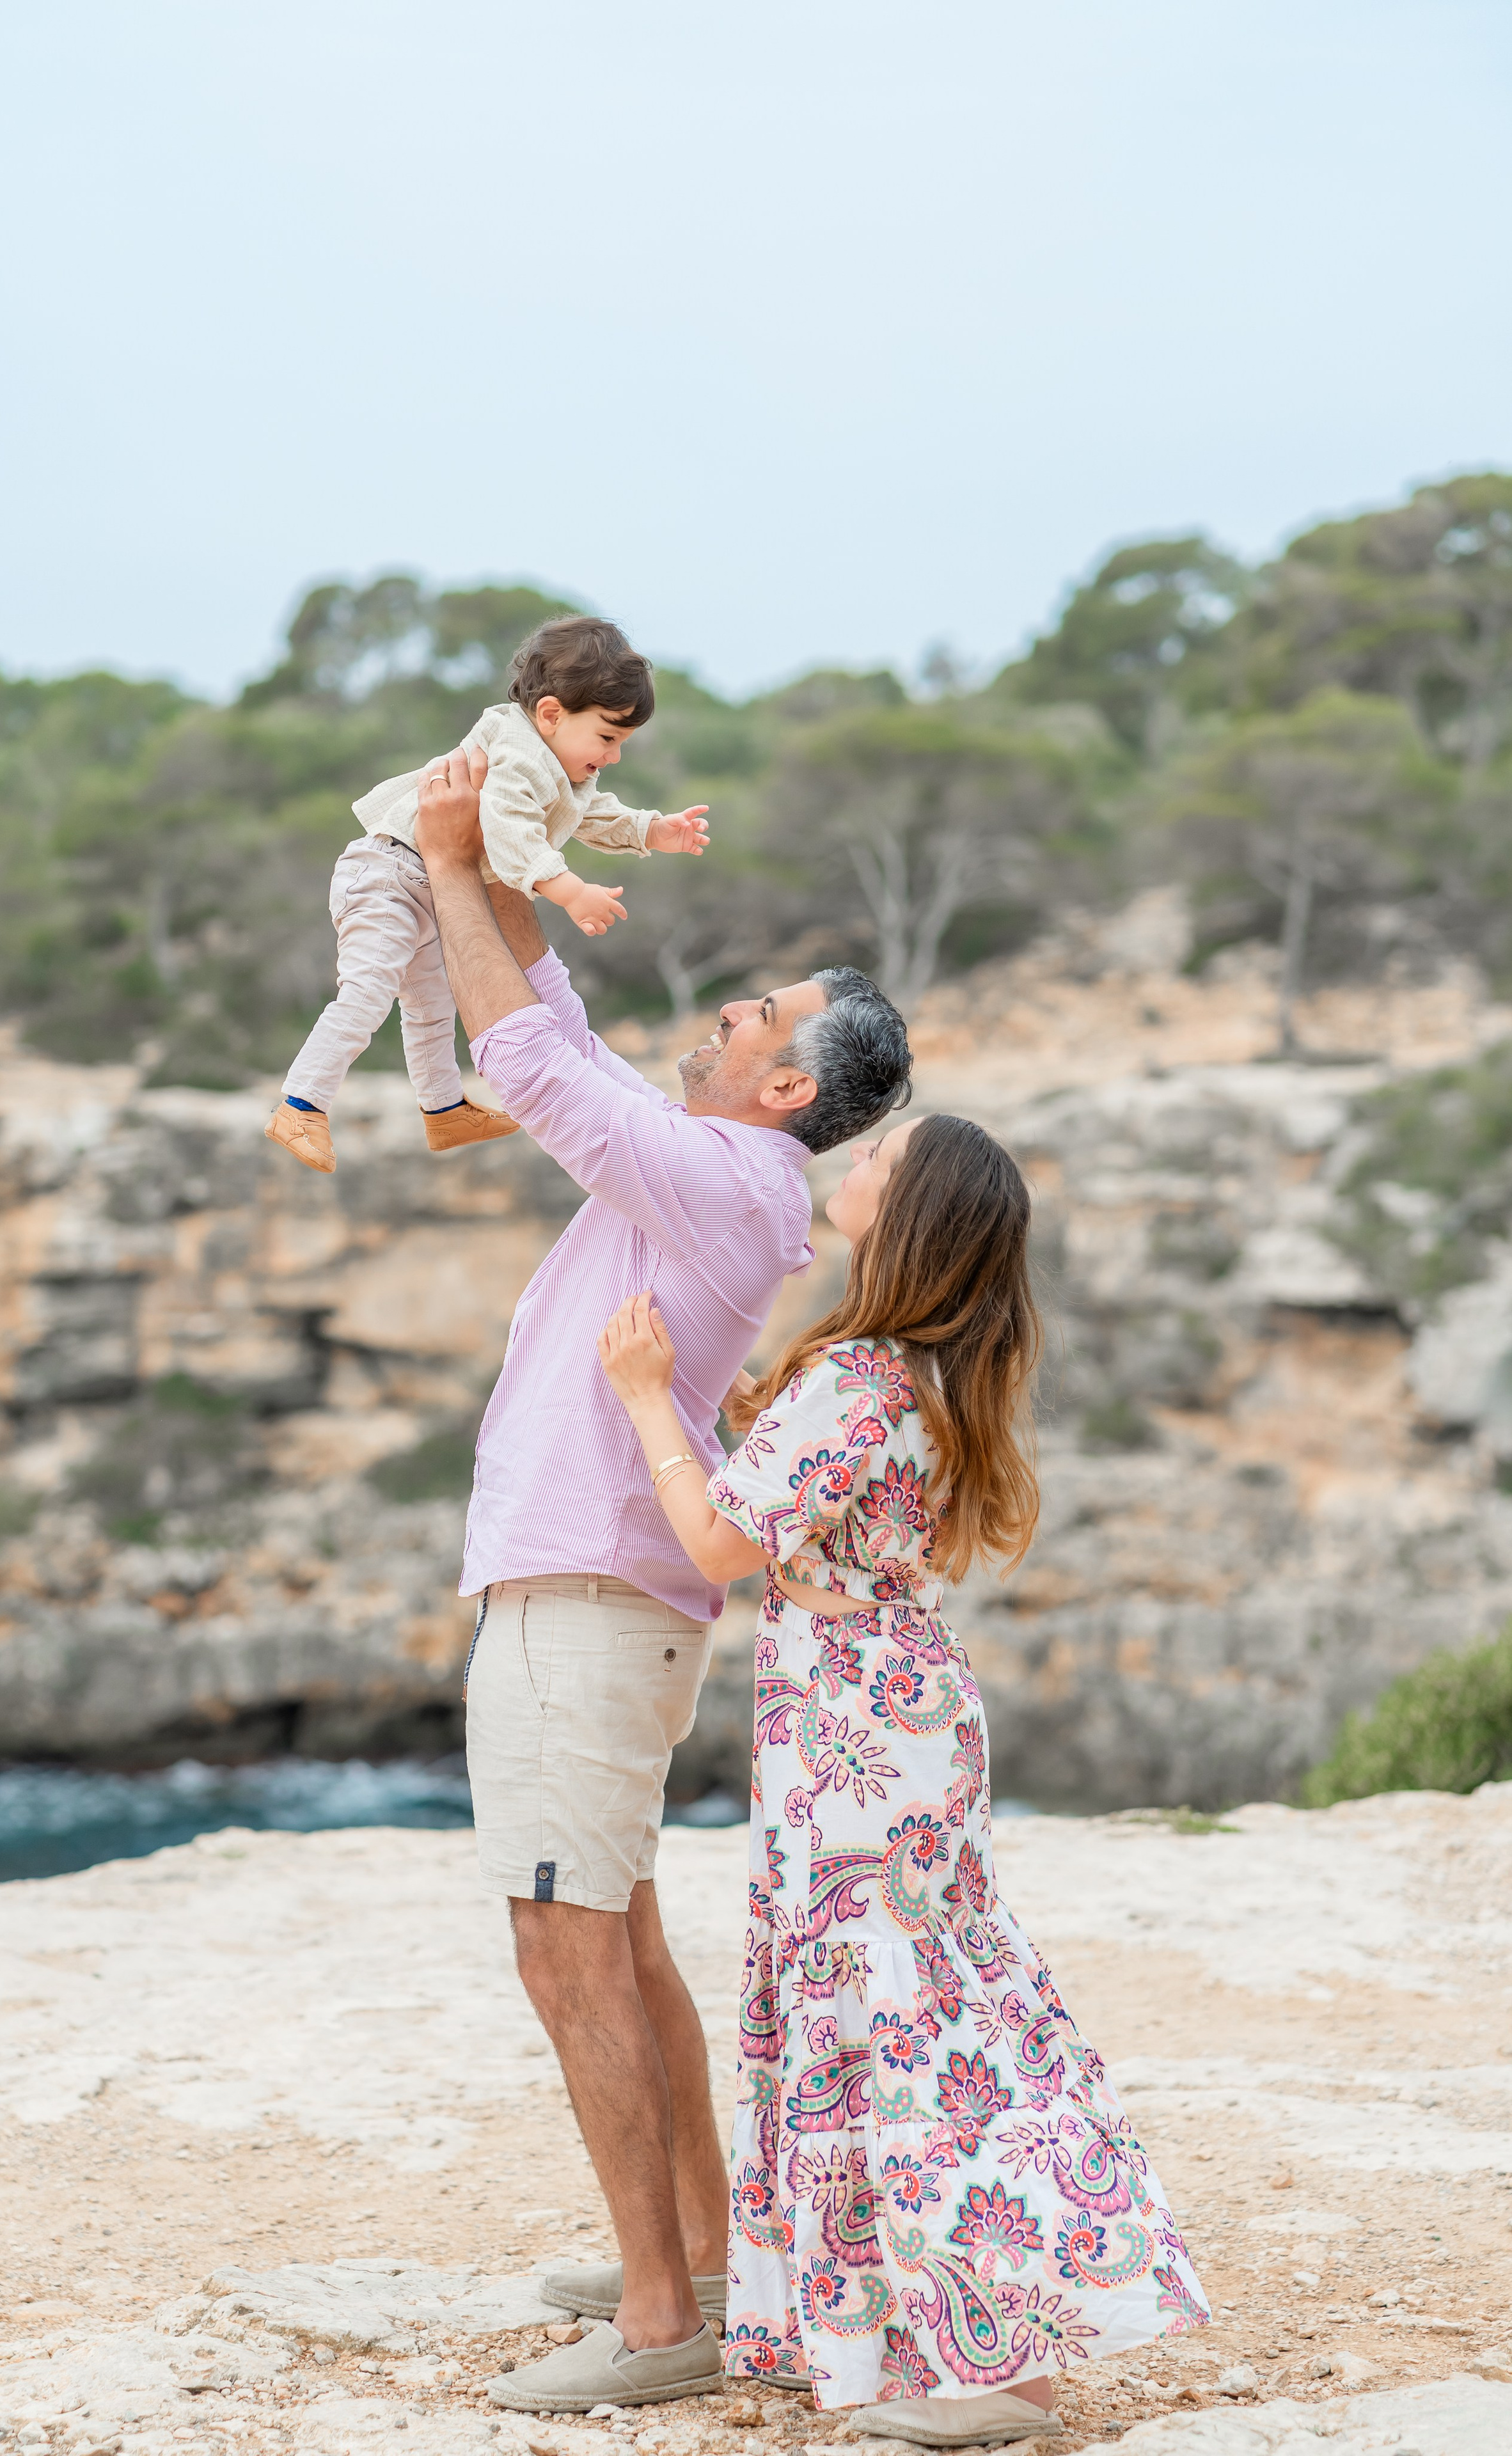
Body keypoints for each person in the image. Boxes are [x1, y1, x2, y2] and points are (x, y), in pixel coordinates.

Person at [407, 748, 915, 2416]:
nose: (722, 1016)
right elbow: (562, 1042)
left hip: (588, 1601)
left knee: (569, 1950)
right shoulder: (718, 1168)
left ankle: (655, 2323)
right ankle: (697, 2256)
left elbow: (536, 1065)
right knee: (616, 1936)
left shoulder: (720, 1177)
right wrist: (481, 866)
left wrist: (439, 848)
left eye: (754, 1014)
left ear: (784, 1088)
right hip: (599, 1596)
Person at [595, 1115, 1210, 2448]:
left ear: (911, 1207)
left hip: (852, 1741)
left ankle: (985, 2367)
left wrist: (646, 1393)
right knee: (946, 2013)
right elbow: (805, 1531)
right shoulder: (933, 1372)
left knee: (886, 2027)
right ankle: (966, 2343)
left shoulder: (859, 1375)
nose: (852, 1162)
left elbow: (710, 1542)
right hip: (906, 1706)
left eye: (880, 1158)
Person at [263, 615, 711, 1172]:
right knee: (369, 991)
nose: (614, 755)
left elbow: (588, 812)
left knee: (431, 1006)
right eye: (608, 737)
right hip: (387, 875)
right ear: (551, 714)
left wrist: (651, 830)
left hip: (429, 887)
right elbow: (510, 828)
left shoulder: (558, 765)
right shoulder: (518, 755)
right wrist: (569, 890)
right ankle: (301, 1104)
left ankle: (443, 1110)